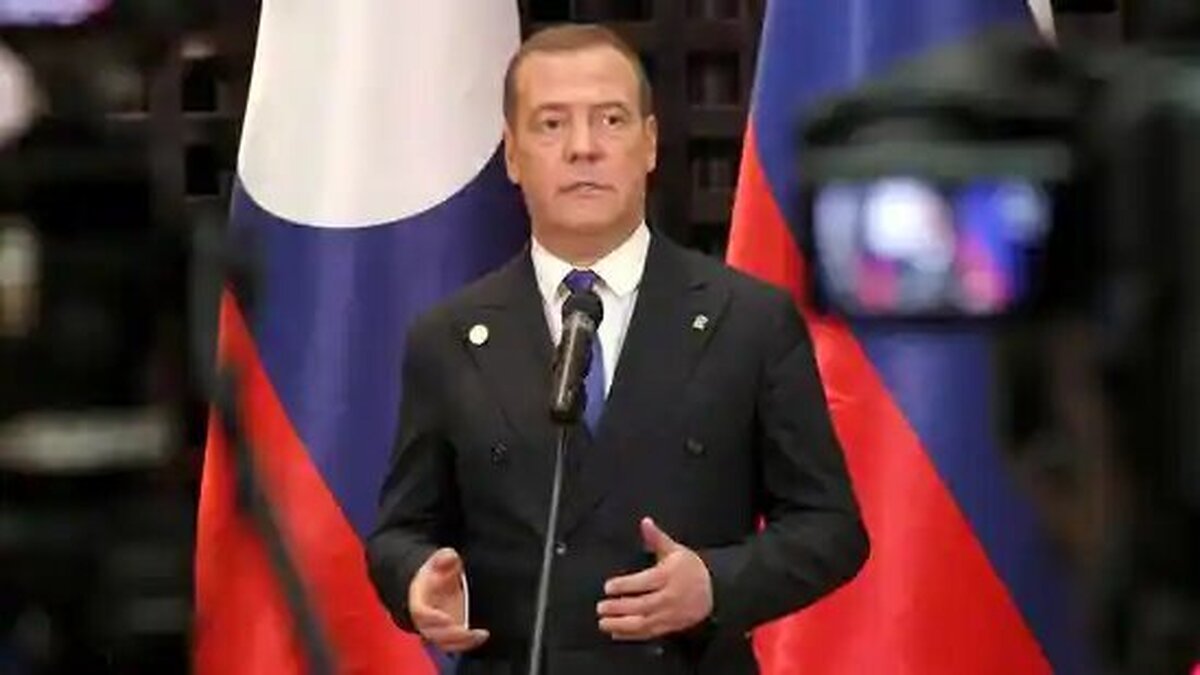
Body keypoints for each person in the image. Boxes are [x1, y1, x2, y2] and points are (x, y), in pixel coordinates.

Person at [367, 24, 868, 675]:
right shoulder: (450, 336)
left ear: (650, 144)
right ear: (513, 155)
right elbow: (402, 529)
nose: (583, 148)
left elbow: (832, 529)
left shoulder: (748, 319)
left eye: (610, 120)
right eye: (551, 124)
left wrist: (715, 583)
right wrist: (417, 579)